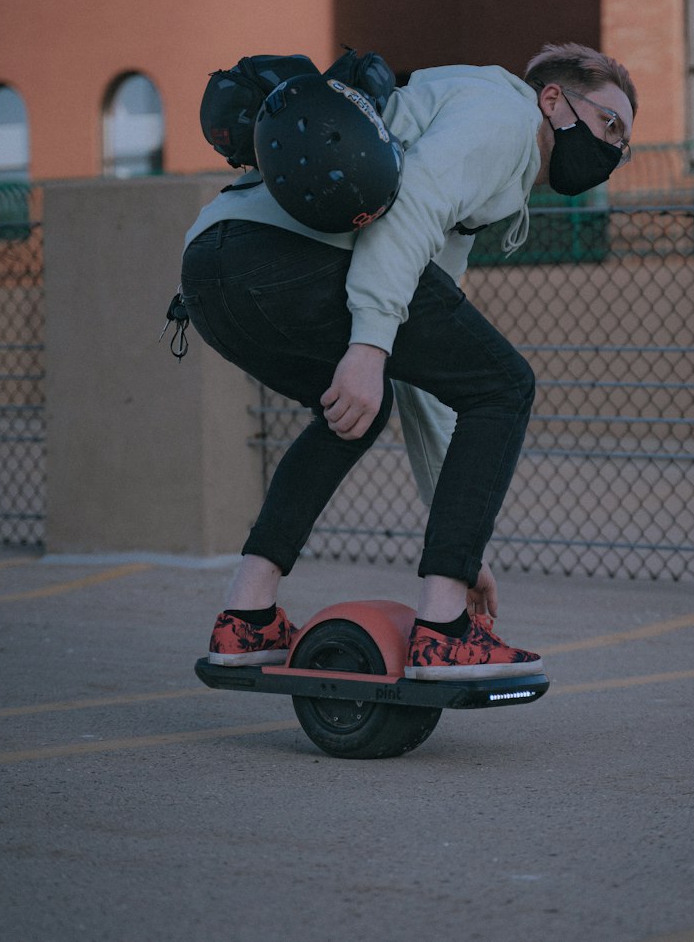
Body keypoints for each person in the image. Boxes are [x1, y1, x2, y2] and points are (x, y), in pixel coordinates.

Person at [179, 41, 637, 680]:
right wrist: (369, 346)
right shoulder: (506, 119)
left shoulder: (468, 135)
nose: (612, 149)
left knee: (357, 413)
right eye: (608, 124)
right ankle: (444, 632)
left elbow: (429, 369)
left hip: (214, 272)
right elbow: (409, 212)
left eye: (624, 142)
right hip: (293, 259)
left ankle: (246, 617)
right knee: (506, 385)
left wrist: (460, 540)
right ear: (554, 100)